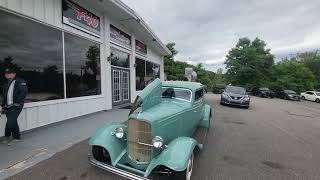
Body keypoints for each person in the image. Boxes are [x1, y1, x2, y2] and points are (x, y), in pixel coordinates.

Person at [1, 68, 28, 146]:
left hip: (16, 105)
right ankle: (16, 137)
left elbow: (24, 91)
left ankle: (7, 136)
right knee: (13, 121)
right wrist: (2, 106)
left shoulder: (20, 81)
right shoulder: (6, 83)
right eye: (6, 73)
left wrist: (18, 102)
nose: (7, 74)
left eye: (9, 73)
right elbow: (4, 96)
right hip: (7, 106)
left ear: (14, 74)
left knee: (10, 122)